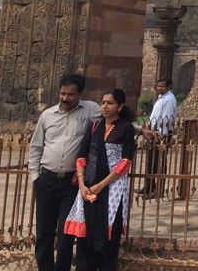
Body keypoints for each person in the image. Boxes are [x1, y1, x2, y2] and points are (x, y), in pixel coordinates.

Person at [28, 73, 101, 271]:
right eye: (62, 93)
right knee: (44, 231)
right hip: (47, 178)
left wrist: (139, 130)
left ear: (79, 95)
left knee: (65, 234)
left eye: (70, 94)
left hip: (71, 182)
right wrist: (35, 176)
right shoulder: (48, 115)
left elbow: (113, 119)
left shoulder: (89, 111)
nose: (65, 98)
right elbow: (35, 147)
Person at [65, 89, 136, 271]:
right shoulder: (95, 126)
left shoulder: (125, 128)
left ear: (119, 107)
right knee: (86, 236)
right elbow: (82, 156)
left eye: (110, 103)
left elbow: (125, 162)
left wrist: (101, 185)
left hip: (112, 188)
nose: (105, 106)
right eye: (103, 102)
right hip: (88, 187)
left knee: (107, 237)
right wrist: (82, 185)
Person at [138, 77, 177, 197]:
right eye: (158, 86)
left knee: (159, 162)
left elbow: (166, 118)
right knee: (151, 161)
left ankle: (159, 189)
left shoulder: (169, 100)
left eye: (162, 86)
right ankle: (149, 187)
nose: (160, 88)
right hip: (154, 132)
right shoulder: (162, 98)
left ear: (169, 87)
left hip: (161, 134)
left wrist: (161, 135)